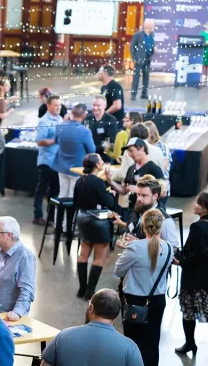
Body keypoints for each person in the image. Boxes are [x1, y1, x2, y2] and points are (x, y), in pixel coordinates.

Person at [114, 208, 172, 366]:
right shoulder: (169, 248)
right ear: (160, 227)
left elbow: (118, 270)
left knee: (133, 341)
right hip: (157, 300)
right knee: (152, 339)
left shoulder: (135, 248)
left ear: (143, 225)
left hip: (135, 300)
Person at [175, 192, 208, 356]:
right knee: (207, 311)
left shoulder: (197, 227)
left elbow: (199, 254)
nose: (194, 205)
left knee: (190, 311)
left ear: (205, 208)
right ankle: (189, 343)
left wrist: (181, 261)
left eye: (198, 203)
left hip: (194, 277)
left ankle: (190, 343)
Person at [74, 154, 116, 299]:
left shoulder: (80, 180)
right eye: (101, 161)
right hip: (98, 221)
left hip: (82, 219)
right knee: (99, 257)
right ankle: (90, 291)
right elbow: (109, 203)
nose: (103, 162)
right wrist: (111, 193)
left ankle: (82, 289)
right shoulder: (98, 182)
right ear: (97, 165)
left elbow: (75, 201)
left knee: (83, 253)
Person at [0, 216, 37, 320]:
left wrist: (17, 312)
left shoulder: (25, 256)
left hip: (8, 316)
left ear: (8, 235)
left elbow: (27, 290)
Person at [108, 139, 165, 214]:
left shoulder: (153, 169)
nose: (129, 154)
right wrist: (110, 181)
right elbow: (124, 190)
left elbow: (163, 193)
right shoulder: (131, 168)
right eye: (128, 151)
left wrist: (138, 190)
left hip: (148, 213)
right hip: (132, 211)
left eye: (131, 150)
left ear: (141, 148)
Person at [31, 94, 63, 225]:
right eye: (55, 105)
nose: (58, 108)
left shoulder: (60, 119)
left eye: (59, 105)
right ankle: (37, 215)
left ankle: (51, 216)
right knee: (42, 188)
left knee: (54, 189)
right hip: (47, 161)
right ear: (48, 105)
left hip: (58, 161)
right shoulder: (44, 121)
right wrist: (55, 140)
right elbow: (39, 141)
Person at [54, 104, 96, 199]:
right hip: (78, 168)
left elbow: (56, 141)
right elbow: (92, 150)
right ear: (84, 116)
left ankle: (60, 214)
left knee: (62, 195)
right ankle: (70, 214)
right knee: (73, 196)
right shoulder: (85, 131)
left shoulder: (59, 126)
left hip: (62, 167)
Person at [85, 95, 120, 161]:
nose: (95, 108)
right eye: (93, 105)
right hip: (88, 156)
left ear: (105, 106)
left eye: (98, 105)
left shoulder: (111, 120)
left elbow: (109, 141)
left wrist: (93, 149)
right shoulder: (88, 118)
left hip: (103, 157)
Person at [130, 20, 156, 100]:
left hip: (147, 59)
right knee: (136, 77)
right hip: (139, 59)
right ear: (147, 26)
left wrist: (153, 49)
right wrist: (134, 58)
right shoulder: (138, 35)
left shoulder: (152, 34)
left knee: (146, 77)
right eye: (152, 25)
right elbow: (132, 47)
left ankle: (144, 94)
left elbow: (151, 45)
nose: (153, 27)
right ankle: (133, 94)